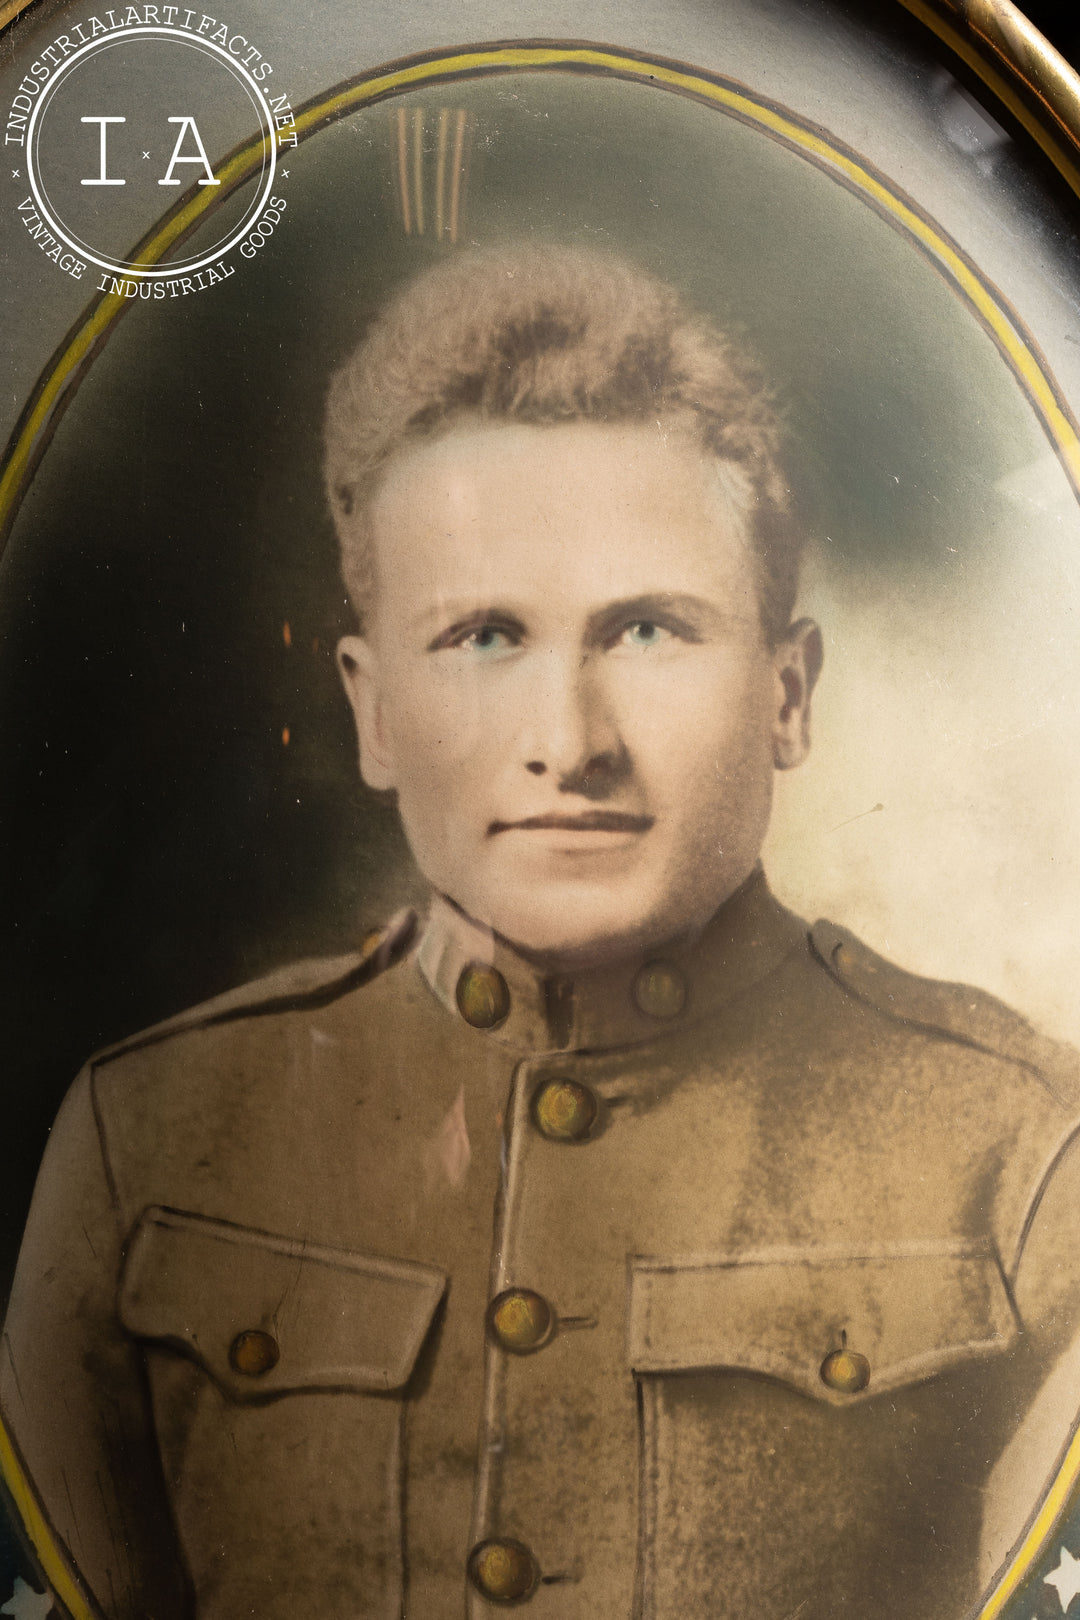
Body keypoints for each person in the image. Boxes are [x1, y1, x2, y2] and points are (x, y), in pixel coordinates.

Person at [2, 244, 1080, 1620]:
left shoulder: (1026, 1157)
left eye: (646, 628)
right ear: (373, 707)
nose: (568, 746)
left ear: (788, 694)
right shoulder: (144, 1139)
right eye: (484, 636)